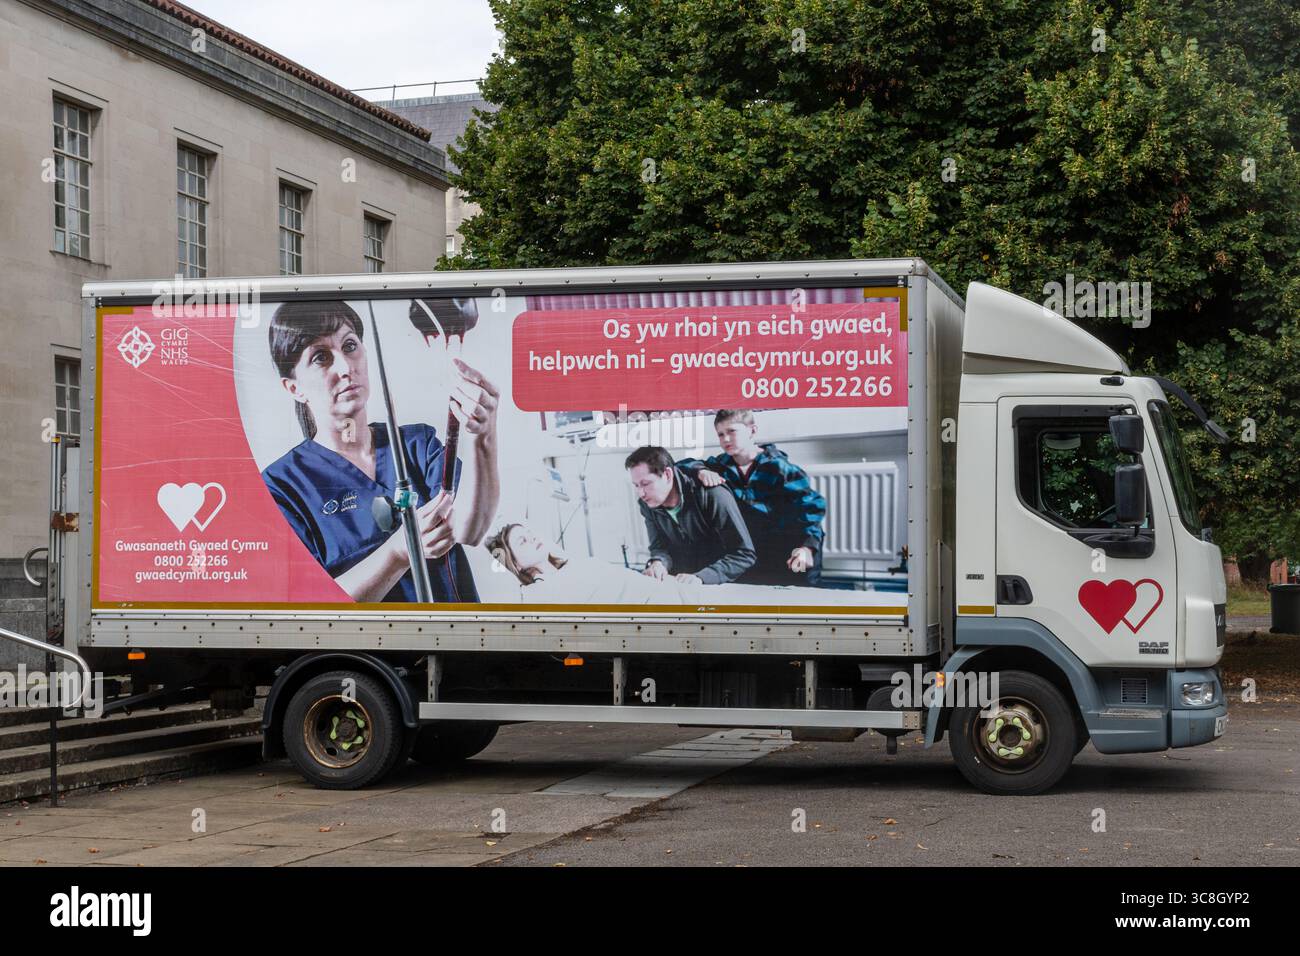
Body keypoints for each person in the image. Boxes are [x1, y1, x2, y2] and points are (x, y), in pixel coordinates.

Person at [259, 300, 500, 603]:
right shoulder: (282, 486)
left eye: (349, 346)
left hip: (454, 643)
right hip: (362, 651)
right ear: (294, 388)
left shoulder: (416, 446)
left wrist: (484, 437)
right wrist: (399, 551)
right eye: (321, 357)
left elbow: (470, 529)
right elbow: (311, 605)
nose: (346, 368)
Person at [679, 410, 827, 586]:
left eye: (732, 432)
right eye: (720, 434)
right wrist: (700, 471)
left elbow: (811, 509)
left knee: (800, 585)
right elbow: (680, 467)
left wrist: (807, 547)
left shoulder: (780, 467)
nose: (725, 439)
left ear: (752, 431)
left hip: (789, 543)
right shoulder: (720, 465)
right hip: (753, 546)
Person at [625, 446, 755, 585]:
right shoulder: (647, 504)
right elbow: (660, 547)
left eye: (645, 484)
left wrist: (702, 577)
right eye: (636, 485)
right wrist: (658, 562)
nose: (641, 493)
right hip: (683, 582)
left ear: (668, 475)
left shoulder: (713, 494)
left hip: (726, 584)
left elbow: (744, 554)